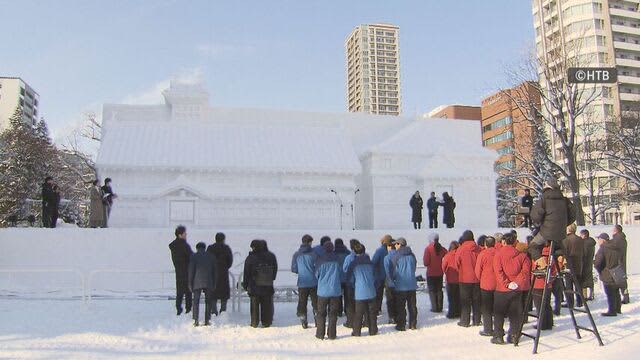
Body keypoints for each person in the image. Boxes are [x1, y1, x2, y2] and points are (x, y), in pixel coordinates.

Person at [492, 232, 531, 345]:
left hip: (501, 289)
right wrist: (516, 283)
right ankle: (514, 335)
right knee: (515, 314)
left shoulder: (498, 255)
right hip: (516, 289)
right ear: (515, 242)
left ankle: (498, 336)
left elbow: (498, 271)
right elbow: (525, 272)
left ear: (504, 241)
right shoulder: (522, 256)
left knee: (499, 314)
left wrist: (506, 283)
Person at [528, 176, 576, 268]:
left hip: (546, 232)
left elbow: (535, 216)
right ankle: (562, 260)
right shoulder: (565, 200)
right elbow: (573, 215)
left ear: (547, 186)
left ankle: (542, 264)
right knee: (557, 247)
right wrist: (563, 224)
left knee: (533, 246)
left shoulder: (543, 199)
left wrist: (540, 222)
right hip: (561, 233)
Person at [242, 239, 278, 328]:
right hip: (267, 285)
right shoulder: (271, 256)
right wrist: (271, 278)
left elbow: (246, 272)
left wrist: (245, 285)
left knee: (254, 305)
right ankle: (266, 322)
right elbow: (275, 269)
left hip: (254, 286)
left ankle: (254, 322)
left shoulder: (251, 257)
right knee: (266, 304)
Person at [346, 242, 378, 336]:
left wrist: (353, 286)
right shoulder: (371, 263)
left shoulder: (353, 264)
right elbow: (376, 277)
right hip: (371, 291)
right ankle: (373, 330)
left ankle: (357, 331)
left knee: (358, 313)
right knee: (372, 312)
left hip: (360, 292)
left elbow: (350, 278)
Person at [314, 241, 342, 340]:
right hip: (335, 290)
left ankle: (320, 334)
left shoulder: (320, 260)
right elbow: (340, 273)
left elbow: (316, 274)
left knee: (321, 313)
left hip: (322, 291)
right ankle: (332, 334)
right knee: (333, 313)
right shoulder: (337, 259)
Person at [390, 237, 418, 331]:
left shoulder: (396, 256)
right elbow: (414, 267)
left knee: (401, 306)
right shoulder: (412, 255)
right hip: (411, 284)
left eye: (396, 244)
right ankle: (413, 323)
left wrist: (394, 278)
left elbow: (393, 271)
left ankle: (401, 325)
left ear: (400, 245)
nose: (395, 246)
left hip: (401, 285)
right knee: (412, 305)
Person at [291, 234, 318, 328]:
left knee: (302, 302)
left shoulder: (296, 254)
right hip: (314, 281)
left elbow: (294, 269)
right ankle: (317, 318)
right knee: (315, 302)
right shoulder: (314, 254)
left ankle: (303, 320)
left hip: (302, 282)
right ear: (310, 242)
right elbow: (318, 267)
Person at [455, 230, 481, 327]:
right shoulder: (478, 249)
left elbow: (456, 264)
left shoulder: (461, 249)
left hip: (464, 278)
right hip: (477, 278)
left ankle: (465, 321)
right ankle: (477, 320)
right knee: (476, 300)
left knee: (465, 301)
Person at [594, 233, 624, 316]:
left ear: (603, 240)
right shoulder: (615, 247)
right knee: (616, 291)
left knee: (610, 292)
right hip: (616, 271)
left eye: (599, 239)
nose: (598, 241)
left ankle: (612, 311)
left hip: (606, 273)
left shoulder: (603, 249)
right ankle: (618, 309)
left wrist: (599, 269)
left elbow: (598, 263)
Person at [189, 242, 217, 327]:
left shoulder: (194, 256)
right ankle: (207, 320)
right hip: (208, 281)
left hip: (197, 281)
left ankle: (196, 320)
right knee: (208, 301)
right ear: (204, 248)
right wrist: (214, 283)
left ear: (197, 248)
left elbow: (191, 271)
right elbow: (215, 271)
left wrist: (190, 283)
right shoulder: (211, 256)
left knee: (196, 302)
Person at [475, 235, 497, 337]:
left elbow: (478, 270)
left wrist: (481, 279)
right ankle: (498, 328)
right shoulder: (498, 253)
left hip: (486, 284)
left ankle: (488, 329)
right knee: (497, 307)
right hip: (498, 284)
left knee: (486, 308)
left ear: (485, 244)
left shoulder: (482, 254)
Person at [531, 242, 556, 330]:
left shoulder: (537, 258)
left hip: (537, 284)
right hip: (548, 284)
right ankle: (549, 323)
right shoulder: (551, 256)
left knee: (539, 306)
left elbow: (533, 269)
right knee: (547, 304)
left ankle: (541, 324)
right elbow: (554, 271)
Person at [206, 232, 233, 315]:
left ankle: (213, 310)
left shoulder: (210, 248)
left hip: (213, 273)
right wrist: (225, 267)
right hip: (223, 273)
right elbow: (230, 261)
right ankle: (223, 310)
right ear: (223, 239)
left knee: (213, 292)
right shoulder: (226, 248)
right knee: (224, 293)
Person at [169, 225, 193, 315]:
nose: (186, 235)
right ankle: (188, 308)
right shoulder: (184, 245)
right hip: (186, 271)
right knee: (188, 291)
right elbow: (191, 256)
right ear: (180, 235)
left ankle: (178, 308)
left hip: (178, 271)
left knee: (179, 292)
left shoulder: (173, 246)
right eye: (184, 233)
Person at [423, 233, 447, 313]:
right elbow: (447, 255)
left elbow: (426, 262)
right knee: (439, 290)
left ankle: (434, 307)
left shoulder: (428, 249)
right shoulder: (442, 248)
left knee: (432, 291)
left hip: (431, 273)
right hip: (440, 273)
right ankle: (440, 307)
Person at [563, 223, 584, 308]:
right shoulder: (580, 239)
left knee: (569, 285)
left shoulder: (566, 239)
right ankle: (580, 301)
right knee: (578, 284)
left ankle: (570, 302)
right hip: (578, 264)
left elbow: (564, 251)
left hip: (569, 264)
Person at [371, 234, 392, 315]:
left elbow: (374, 262)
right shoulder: (391, 250)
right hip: (389, 276)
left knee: (378, 293)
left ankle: (377, 308)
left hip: (379, 275)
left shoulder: (379, 251)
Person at [342, 239, 360, 328]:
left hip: (350, 282)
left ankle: (350, 321)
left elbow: (344, 269)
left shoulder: (349, 258)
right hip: (359, 282)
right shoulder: (362, 256)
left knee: (349, 303)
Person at [442, 241, 461, 319]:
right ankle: (459, 311)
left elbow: (443, 266)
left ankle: (452, 312)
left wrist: (446, 272)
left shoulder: (447, 255)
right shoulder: (460, 255)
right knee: (458, 297)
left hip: (450, 279)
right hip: (459, 279)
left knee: (451, 297)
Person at [612, 225, 629, 304]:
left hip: (616, 263)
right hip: (622, 262)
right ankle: (626, 297)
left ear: (616, 230)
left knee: (616, 282)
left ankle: (617, 299)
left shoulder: (616, 240)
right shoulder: (623, 239)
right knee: (623, 281)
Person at [333, 238, 350, 317]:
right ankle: (347, 310)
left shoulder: (333, 254)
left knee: (338, 295)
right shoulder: (348, 253)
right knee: (347, 296)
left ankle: (339, 311)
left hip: (337, 278)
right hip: (347, 278)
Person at [383, 238, 398, 323]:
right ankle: (398, 315)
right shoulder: (399, 255)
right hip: (399, 282)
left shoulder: (387, 257)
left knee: (390, 300)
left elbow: (387, 270)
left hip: (390, 282)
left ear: (389, 247)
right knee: (398, 300)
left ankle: (391, 317)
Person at [580, 229, 596, 301]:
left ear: (584, 235)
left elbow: (583, 254)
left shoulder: (583, 243)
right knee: (590, 279)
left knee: (583, 281)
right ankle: (592, 294)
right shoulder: (592, 242)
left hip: (584, 263)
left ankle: (584, 296)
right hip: (590, 262)